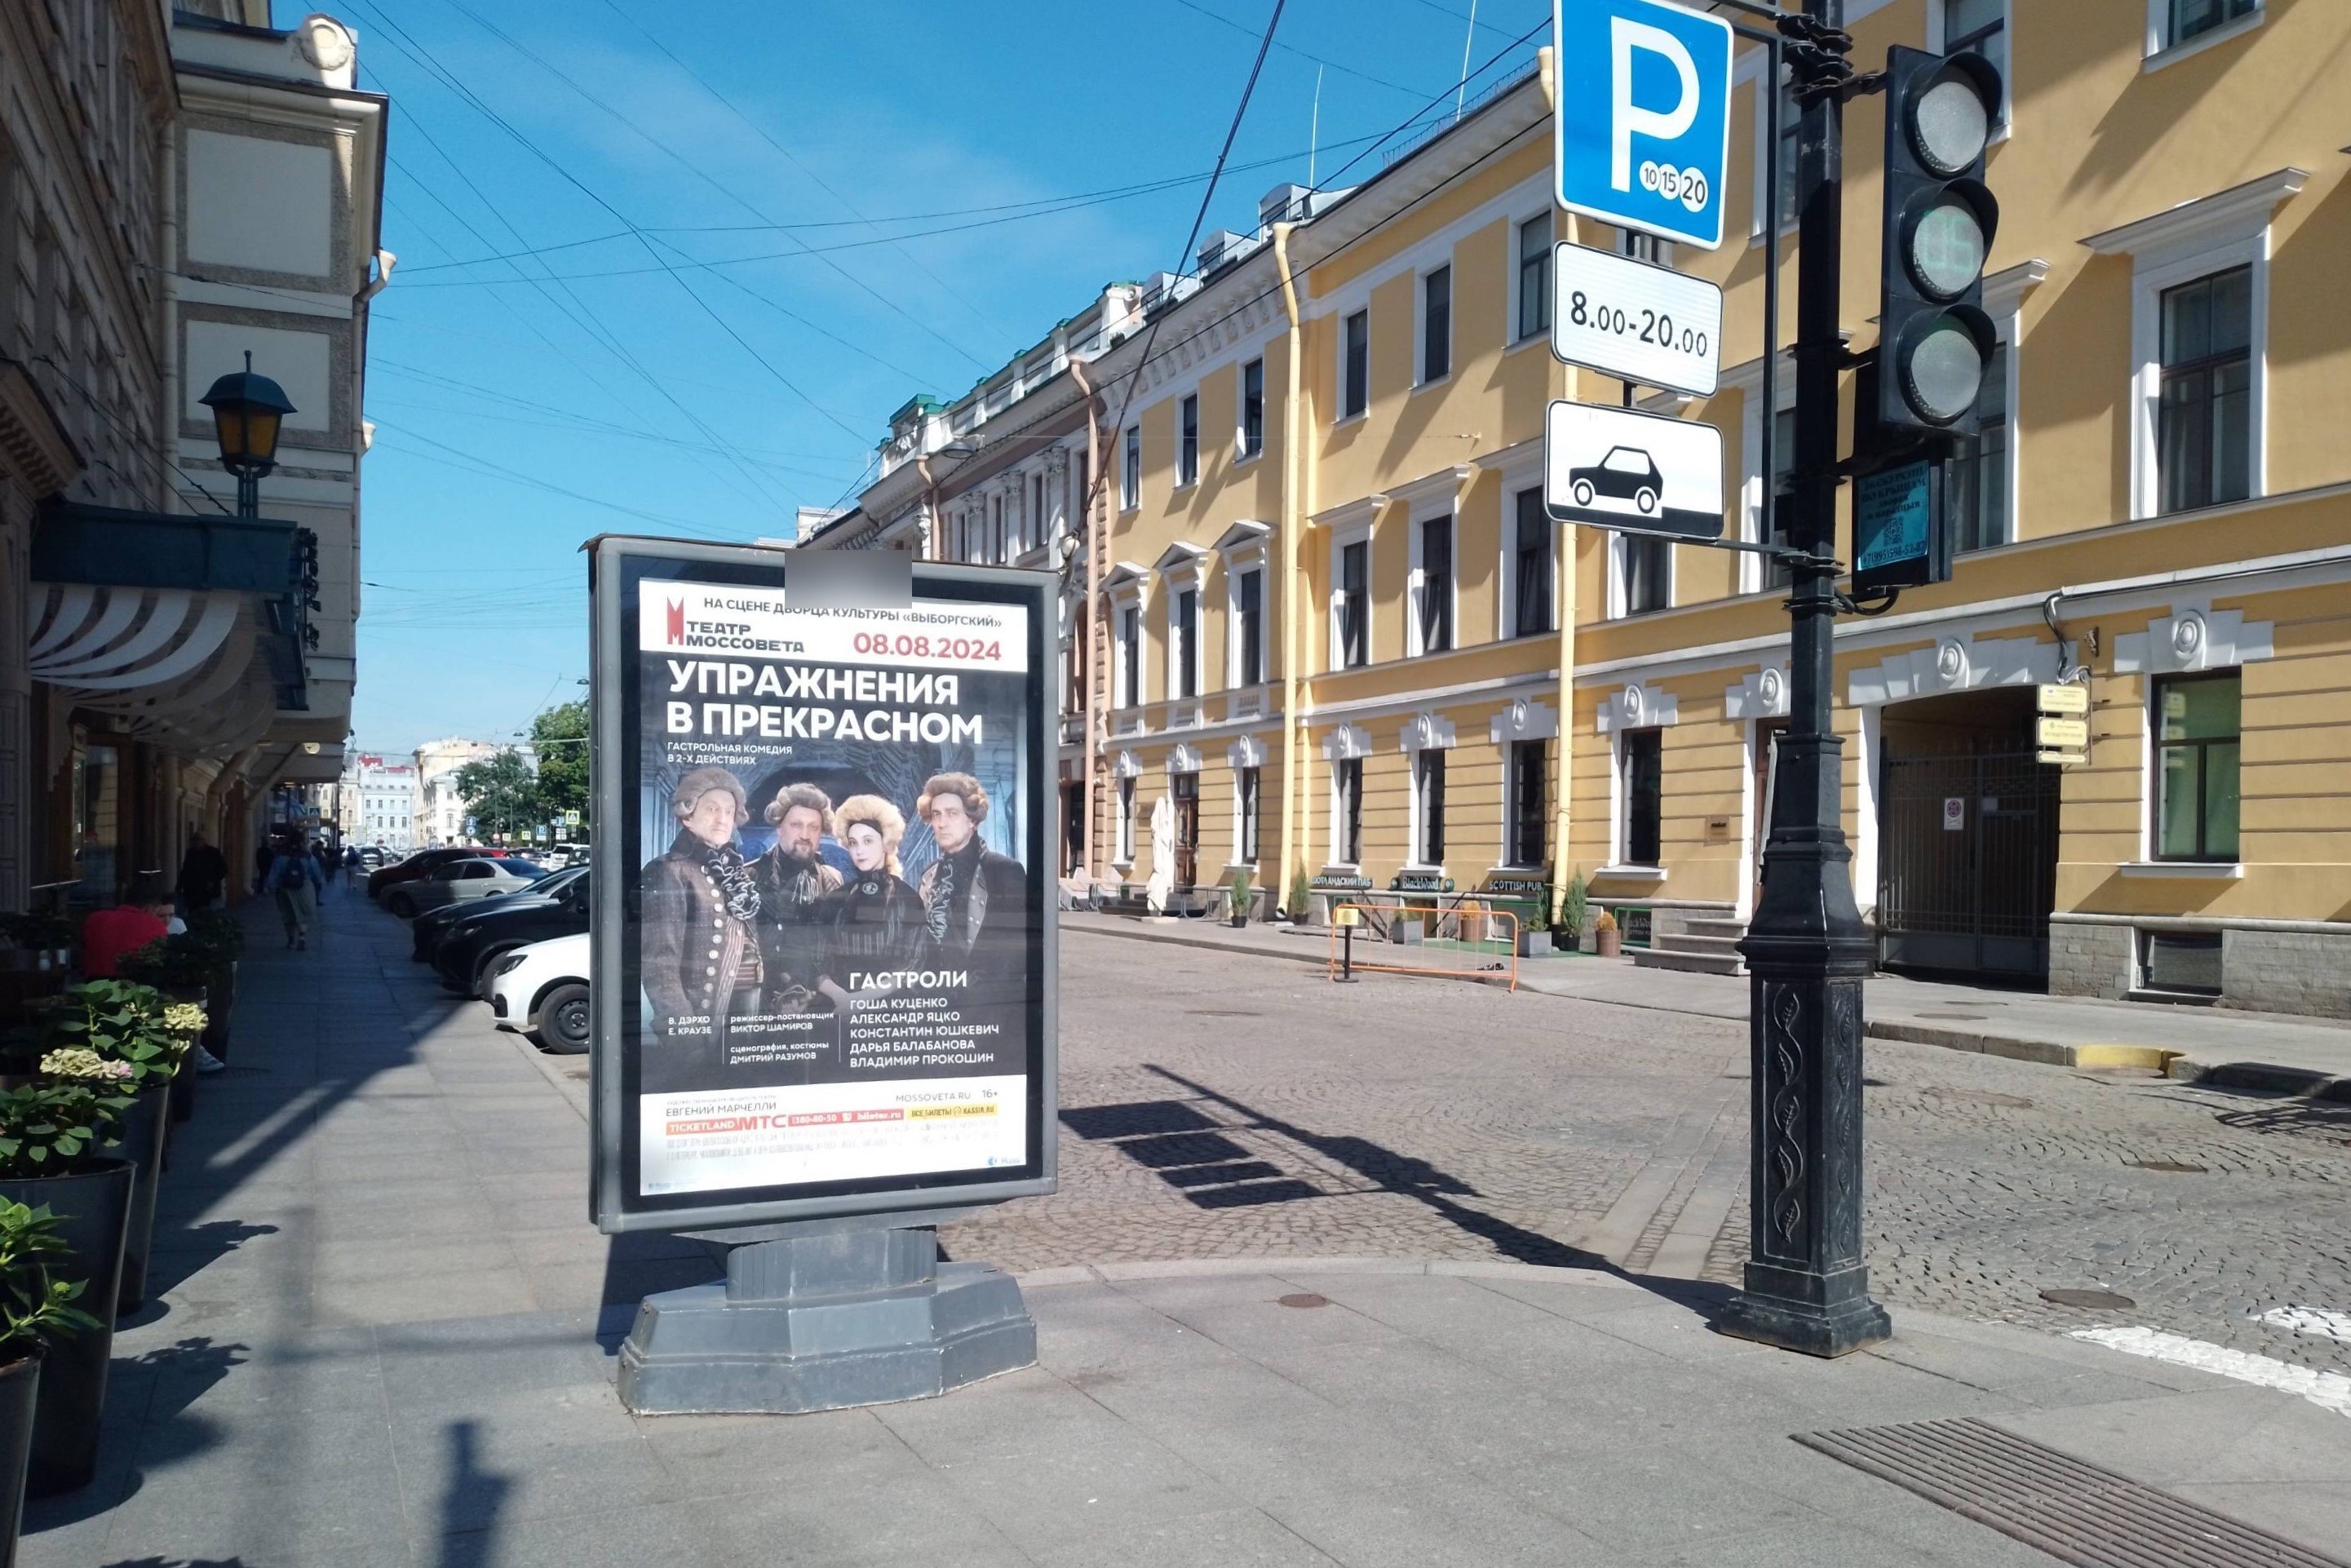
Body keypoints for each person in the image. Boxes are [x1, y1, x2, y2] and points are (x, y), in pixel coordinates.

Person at [640, 767, 761, 1085]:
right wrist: (687, 1040)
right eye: (712, 809)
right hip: (704, 1021)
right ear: (687, 816)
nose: (722, 819)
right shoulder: (669, 871)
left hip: (744, 1016)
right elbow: (660, 966)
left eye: (729, 811)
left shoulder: (736, 872)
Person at [914, 773, 1029, 978]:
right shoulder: (929, 875)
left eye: (952, 813)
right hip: (937, 992)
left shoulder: (1004, 871)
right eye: (936, 814)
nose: (941, 823)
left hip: (988, 994)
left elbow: (1015, 954)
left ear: (972, 820)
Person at [814, 795, 925, 1008]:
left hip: (892, 1011)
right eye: (853, 843)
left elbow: (913, 965)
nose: (859, 850)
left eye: (868, 841)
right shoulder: (836, 899)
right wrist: (841, 997)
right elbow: (818, 963)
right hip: (840, 1008)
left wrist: (860, 999)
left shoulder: (908, 899)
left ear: (885, 842)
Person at [750, 783, 842, 1011]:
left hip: (818, 1007)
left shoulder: (832, 880)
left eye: (813, 827)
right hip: (760, 1009)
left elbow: (836, 951)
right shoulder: (749, 877)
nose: (805, 835)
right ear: (779, 828)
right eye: (796, 825)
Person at [82, 874, 175, 977]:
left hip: (92, 983)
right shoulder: (155, 925)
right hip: (133, 984)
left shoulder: (94, 919)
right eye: (157, 913)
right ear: (149, 908)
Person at [266, 832, 324, 950]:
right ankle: (302, 936)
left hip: (284, 888)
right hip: (304, 888)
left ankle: (291, 939)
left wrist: (269, 887)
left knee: (287, 914)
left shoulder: (280, 857)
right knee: (303, 913)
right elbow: (316, 873)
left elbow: (274, 874)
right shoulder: (307, 856)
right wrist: (318, 882)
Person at [177, 830, 229, 911]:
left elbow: (223, 869)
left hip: (208, 889)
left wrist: (213, 881)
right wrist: (179, 886)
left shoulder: (213, 853)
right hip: (192, 890)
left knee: (206, 912)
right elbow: (185, 870)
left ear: (204, 840)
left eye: (198, 839)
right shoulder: (190, 853)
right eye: (194, 840)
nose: (196, 842)